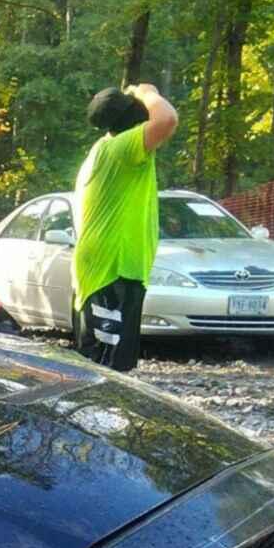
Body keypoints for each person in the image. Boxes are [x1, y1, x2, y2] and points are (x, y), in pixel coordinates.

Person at [72, 82, 179, 371]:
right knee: (104, 372)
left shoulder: (107, 148)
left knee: (109, 368)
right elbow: (167, 119)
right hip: (111, 271)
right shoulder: (123, 149)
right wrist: (148, 92)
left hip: (114, 269)